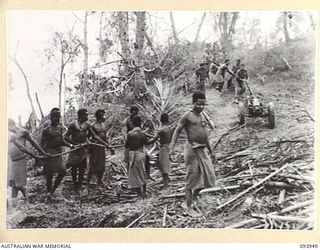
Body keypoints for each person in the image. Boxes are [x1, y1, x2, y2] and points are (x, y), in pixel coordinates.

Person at [170, 91, 216, 215]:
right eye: (199, 104)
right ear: (193, 102)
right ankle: (189, 207)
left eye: (203, 104)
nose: (201, 107)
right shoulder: (187, 116)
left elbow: (205, 136)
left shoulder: (202, 116)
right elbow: (177, 131)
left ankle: (195, 197)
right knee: (191, 180)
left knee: (209, 177)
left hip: (202, 150)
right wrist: (171, 148)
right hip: (192, 150)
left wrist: (211, 151)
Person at [8, 119, 47, 203]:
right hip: (11, 160)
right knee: (13, 183)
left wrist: (42, 152)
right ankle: (14, 202)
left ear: (11, 125)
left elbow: (33, 142)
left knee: (18, 183)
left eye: (8, 128)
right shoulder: (10, 134)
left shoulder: (23, 132)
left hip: (20, 160)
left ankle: (23, 197)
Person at [40, 108, 73, 202]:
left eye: (58, 116)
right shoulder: (46, 130)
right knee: (49, 175)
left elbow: (62, 141)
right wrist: (44, 153)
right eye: (55, 116)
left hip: (58, 154)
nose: (57, 119)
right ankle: (48, 194)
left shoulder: (60, 128)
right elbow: (42, 143)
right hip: (49, 154)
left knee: (63, 171)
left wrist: (70, 145)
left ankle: (52, 191)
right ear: (51, 117)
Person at [64, 108, 91, 195]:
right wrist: (74, 144)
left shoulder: (87, 125)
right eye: (86, 115)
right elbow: (66, 137)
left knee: (82, 168)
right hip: (75, 149)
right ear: (81, 115)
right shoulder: (73, 125)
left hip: (83, 148)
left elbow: (91, 134)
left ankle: (79, 186)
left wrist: (87, 141)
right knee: (74, 168)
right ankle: (75, 185)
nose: (87, 116)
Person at [124, 115, 148, 198]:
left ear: (133, 124)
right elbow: (147, 143)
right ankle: (144, 191)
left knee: (135, 174)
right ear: (140, 124)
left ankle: (139, 194)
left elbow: (127, 146)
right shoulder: (142, 134)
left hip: (134, 155)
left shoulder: (130, 134)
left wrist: (126, 158)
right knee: (142, 172)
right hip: (141, 154)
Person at [147, 113, 172, 190]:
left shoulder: (161, 129)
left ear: (161, 120)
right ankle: (166, 181)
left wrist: (145, 142)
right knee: (161, 164)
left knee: (164, 167)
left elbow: (154, 139)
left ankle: (166, 185)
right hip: (168, 147)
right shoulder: (169, 128)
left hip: (164, 148)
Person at [87, 109, 109, 192]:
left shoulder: (103, 125)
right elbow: (89, 137)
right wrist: (91, 143)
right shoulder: (93, 125)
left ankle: (99, 182)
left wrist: (108, 145)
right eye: (102, 114)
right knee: (93, 166)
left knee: (102, 166)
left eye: (103, 114)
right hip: (95, 148)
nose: (103, 116)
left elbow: (105, 136)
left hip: (101, 148)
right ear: (98, 116)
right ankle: (88, 184)